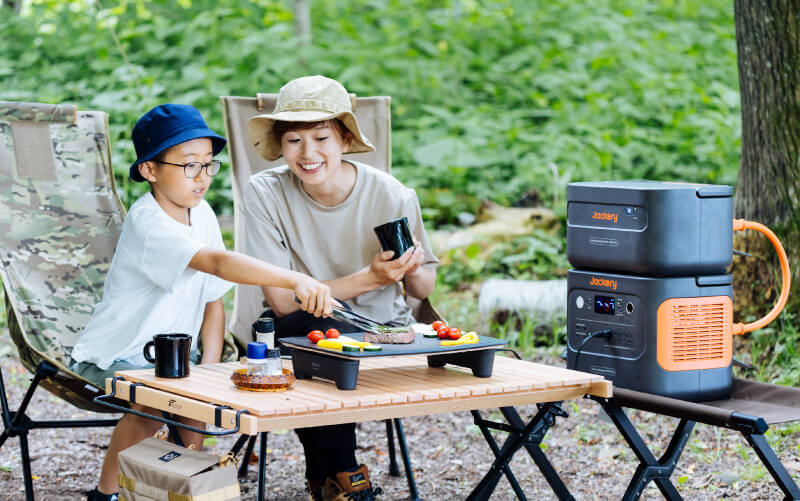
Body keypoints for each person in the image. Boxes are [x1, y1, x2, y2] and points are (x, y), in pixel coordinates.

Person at [70, 104, 333, 501]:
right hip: (118, 354)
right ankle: (105, 494)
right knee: (155, 404)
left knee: (198, 406)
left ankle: (175, 489)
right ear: (150, 170)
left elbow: (214, 300)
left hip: (176, 355)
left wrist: (209, 368)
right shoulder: (149, 221)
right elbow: (217, 263)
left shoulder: (202, 212)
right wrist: (294, 278)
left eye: (209, 165)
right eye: (190, 166)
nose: (203, 177)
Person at [235, 75, 439, 501]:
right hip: (297, 327)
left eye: (321, 137)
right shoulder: (265, 193)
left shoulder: (391, 195)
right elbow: (279, 298)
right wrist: (370, 278)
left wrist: (409, 268)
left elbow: (423, 288)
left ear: (345, 140)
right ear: (280, 145)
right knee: (317, 321)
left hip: (381, 331)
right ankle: (346, 473)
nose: (308, 154)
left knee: (322, 332)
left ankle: (325, 475)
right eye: (293, 140)